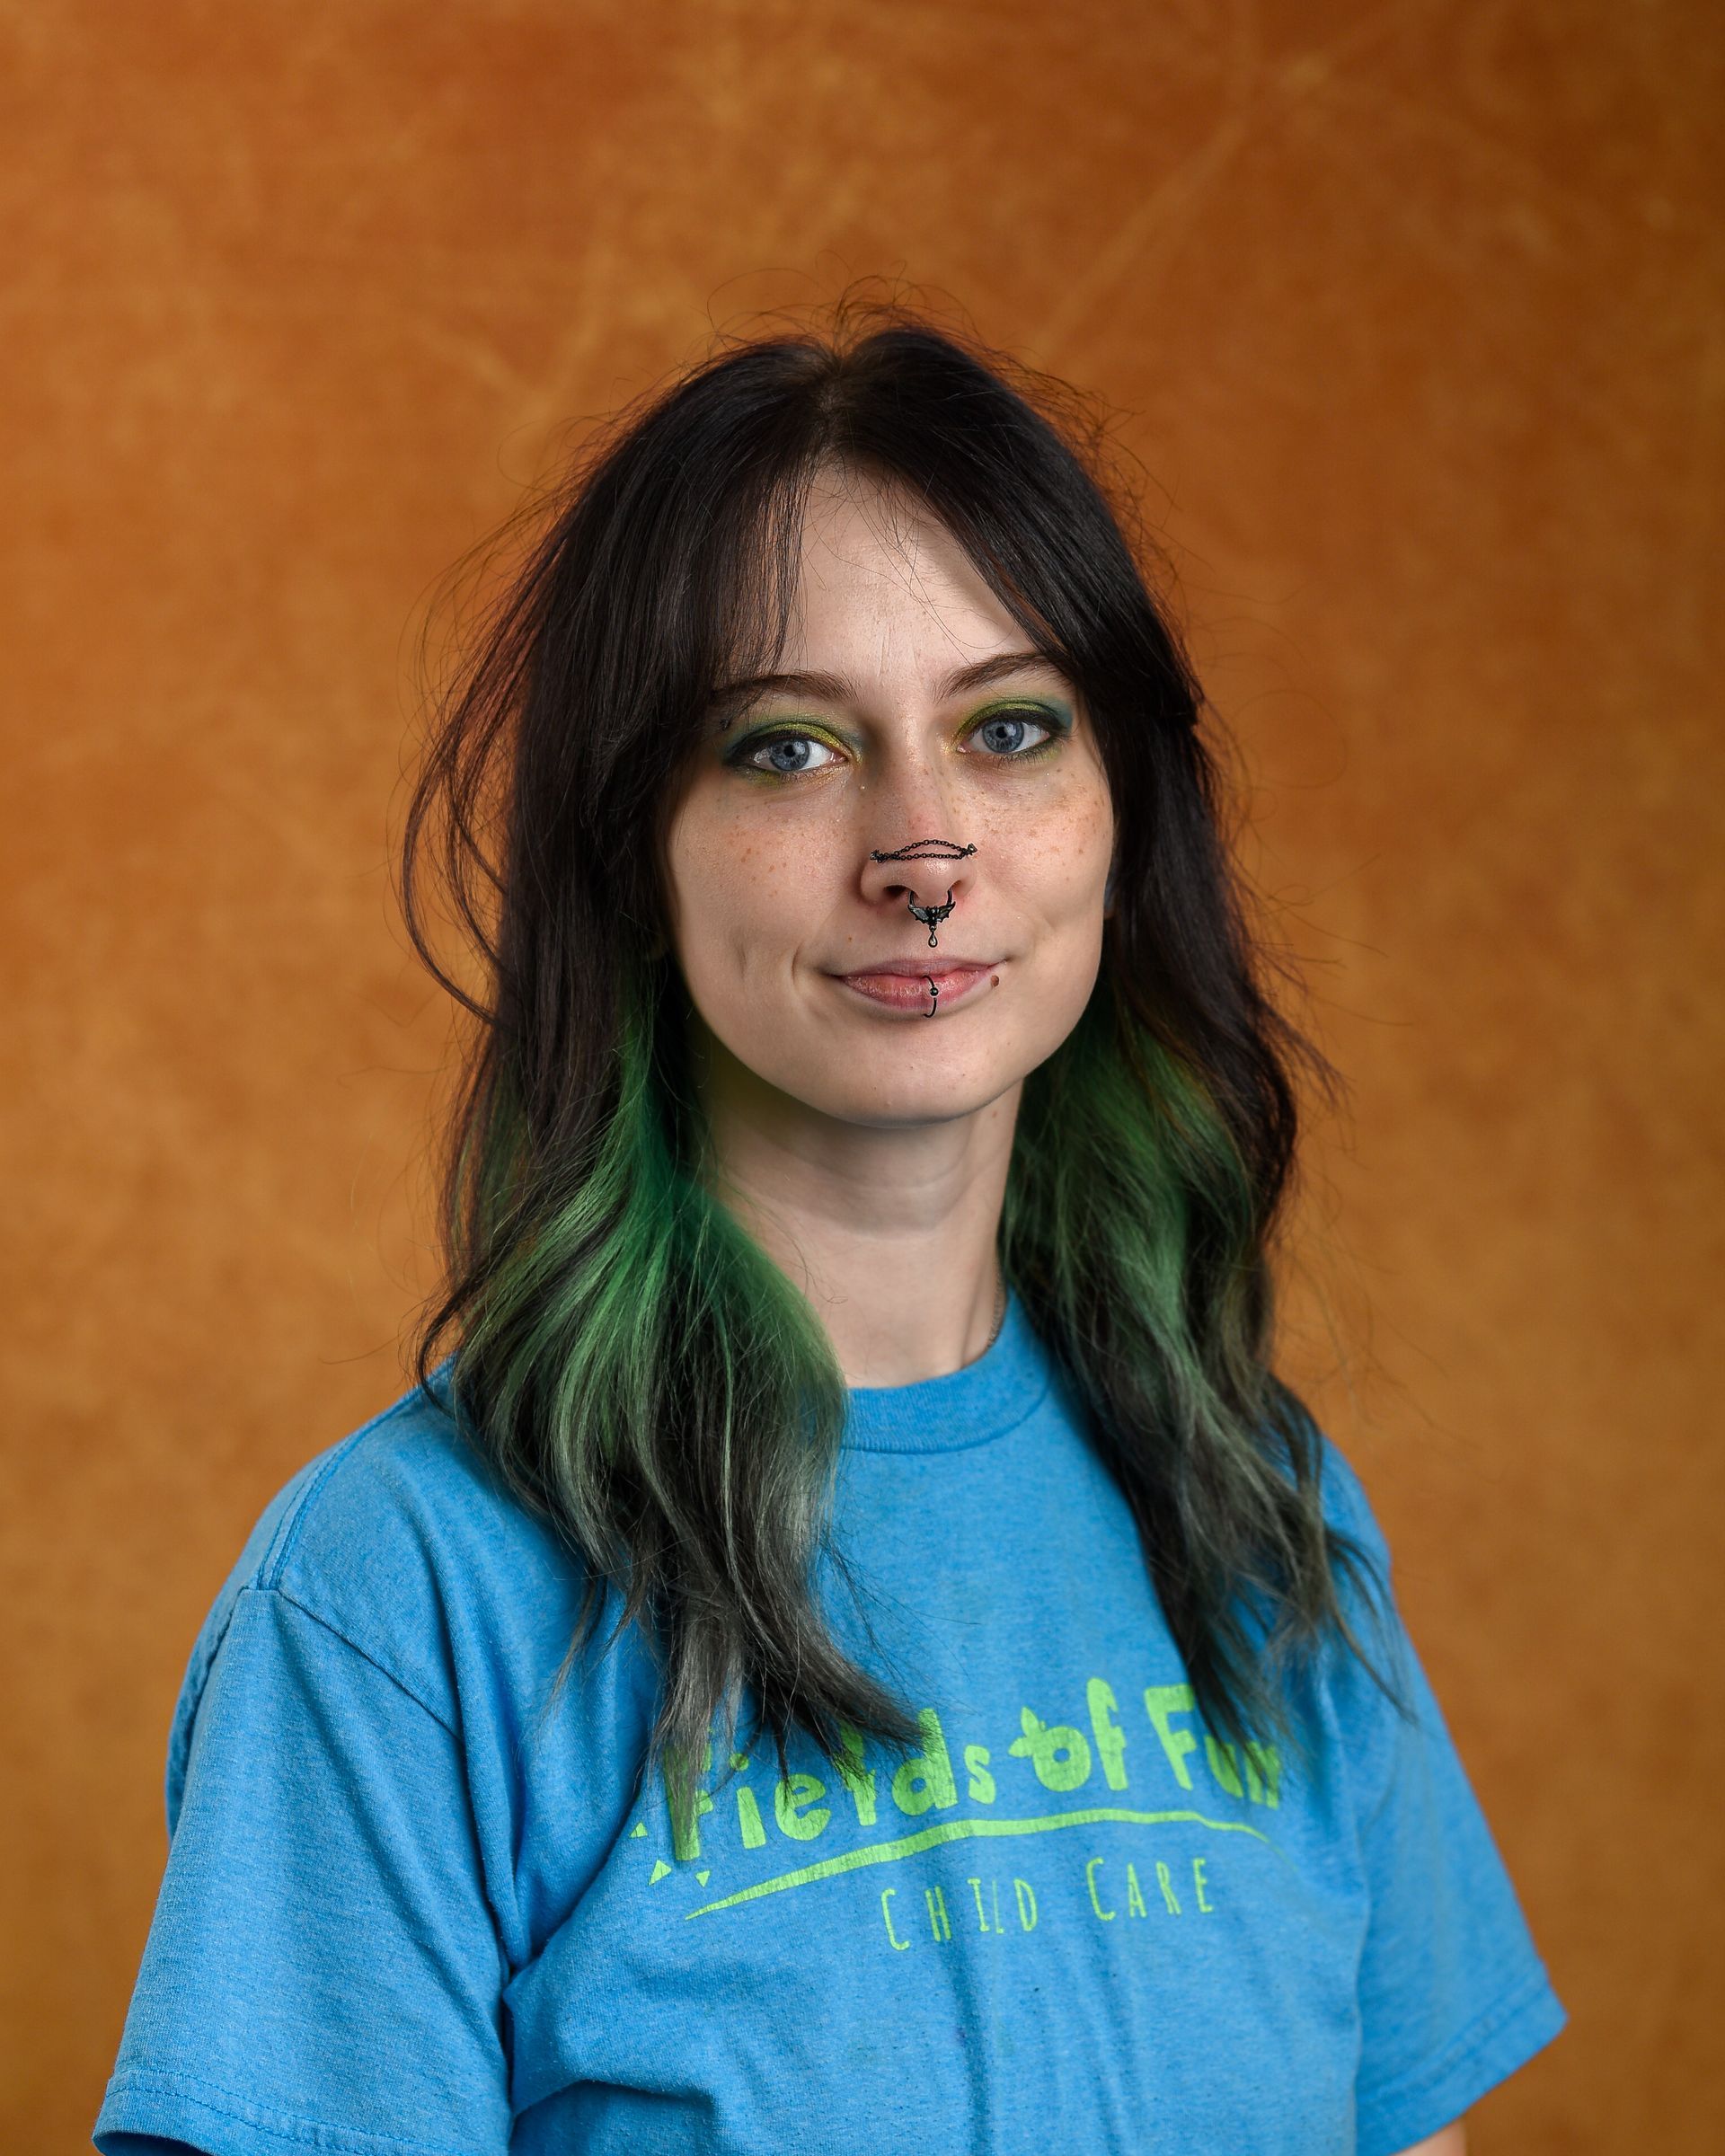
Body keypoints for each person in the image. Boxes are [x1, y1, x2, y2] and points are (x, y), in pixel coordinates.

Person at [93, 302, 1565, 2156]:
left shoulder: (1256, 1506)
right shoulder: (408, 1594)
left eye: (1011, 727)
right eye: (789, 750)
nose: (924, 848)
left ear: (1125, 814)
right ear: (634, 851)